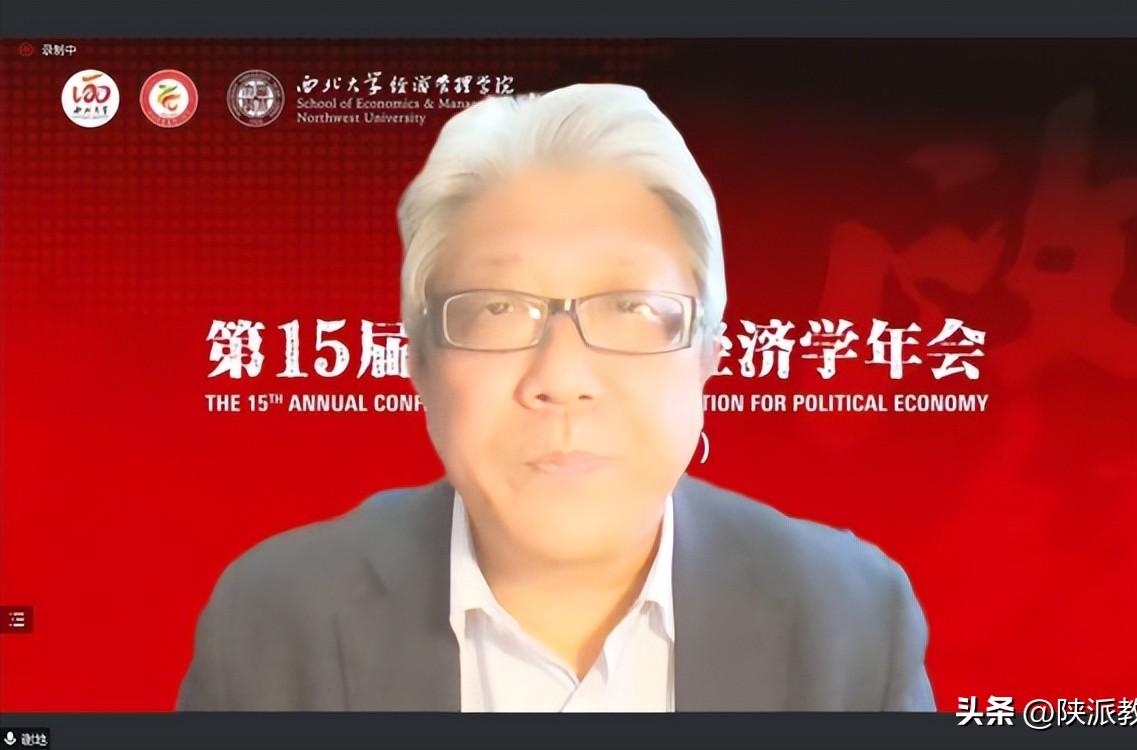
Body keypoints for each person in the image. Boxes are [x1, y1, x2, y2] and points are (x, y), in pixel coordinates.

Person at [177, 83, 935, 712]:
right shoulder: (277, 620)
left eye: (631, 307)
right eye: (498, 309)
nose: (563, 375)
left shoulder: (851, 619)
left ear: (709, 353)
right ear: (418, 360)